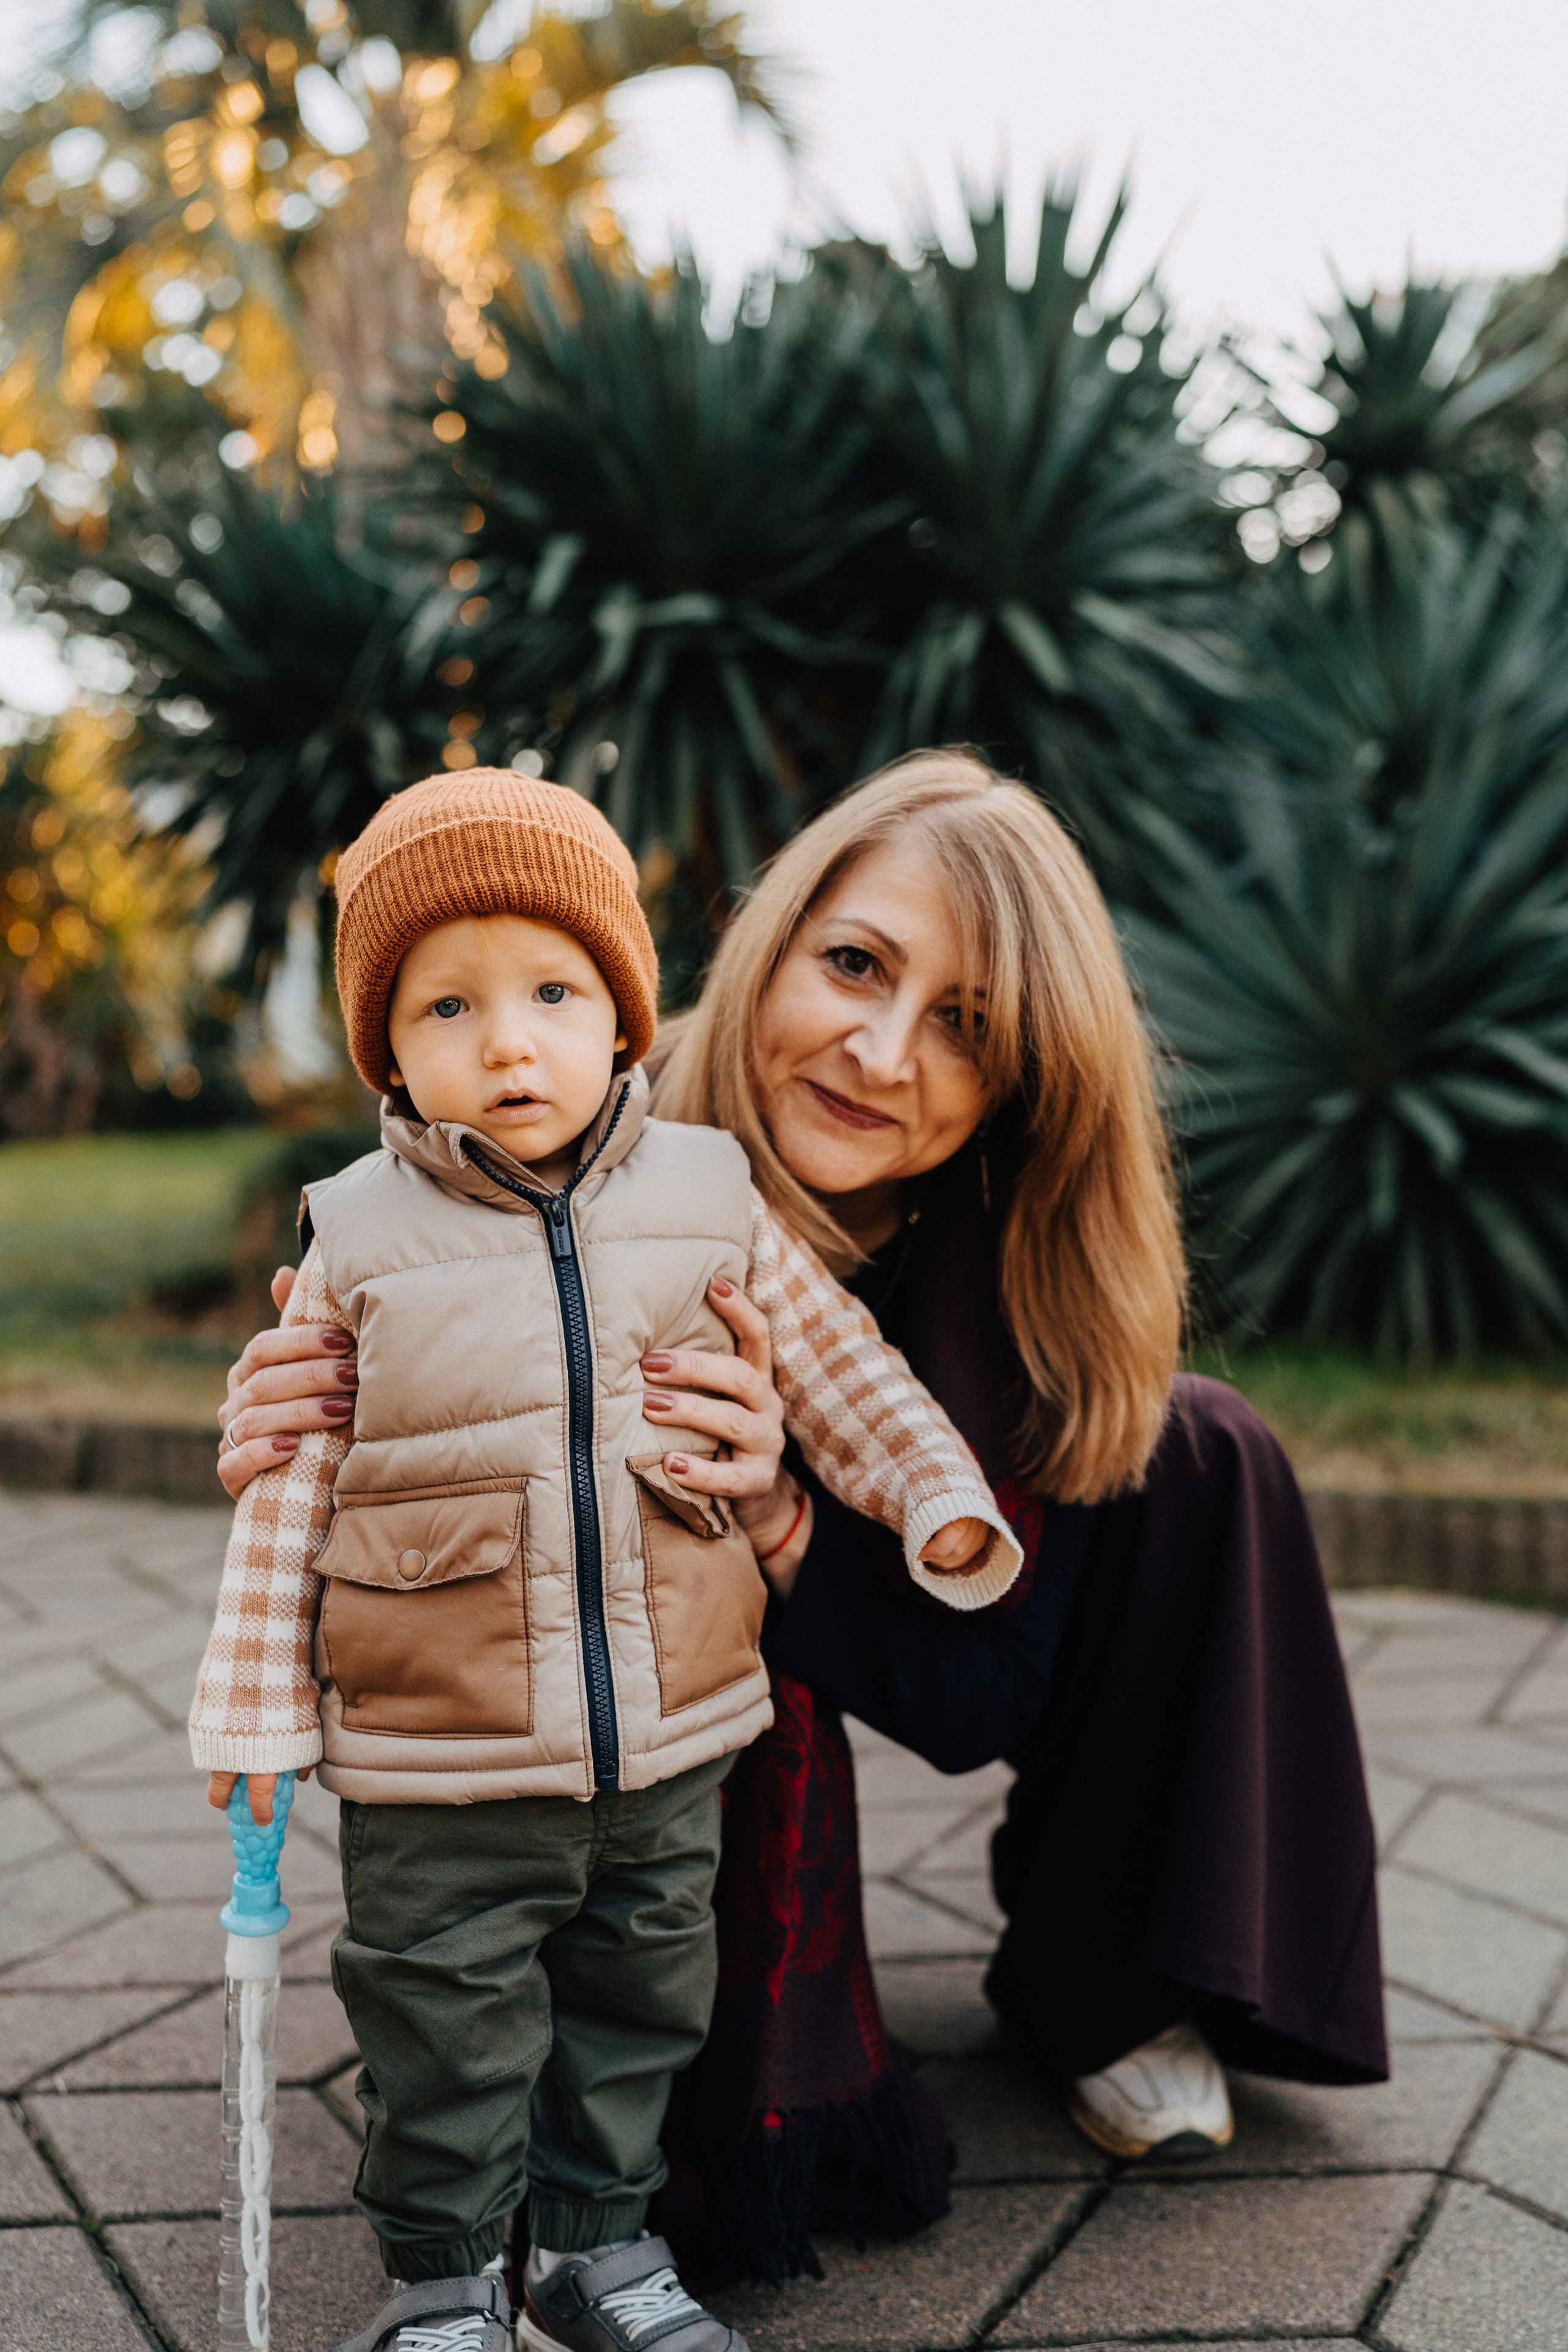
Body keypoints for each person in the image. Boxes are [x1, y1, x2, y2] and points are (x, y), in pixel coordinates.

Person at [216, 752, 1387, 2283]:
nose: (881, 1052)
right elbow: (389, 1290)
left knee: (1202, 1444)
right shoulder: (575, 1109)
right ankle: (554, 2071)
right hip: (590, 1688)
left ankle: (1102, 1978)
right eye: (853, 964)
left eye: (966, 1024)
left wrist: (785, 1512)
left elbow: (972, 1702)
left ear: (1024, 1079)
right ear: (772, 941)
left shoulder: (998, 1241)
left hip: (865, 1577)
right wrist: (307, 1412)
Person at [187, 771, 1025, 2352]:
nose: (508, 1045)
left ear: (626, 1016)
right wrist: (251, 1708)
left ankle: (596, 2249)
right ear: (388, 1050)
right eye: (448, 1006)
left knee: (641, 2003)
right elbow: (291, 1483)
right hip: (437, 1750)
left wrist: (933, 1497)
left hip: (668, 1734)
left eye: (552, 994)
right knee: (438, 2016)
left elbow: (839, 1371)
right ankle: (445, 2278)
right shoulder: (358, 1236)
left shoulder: (709, 1196)